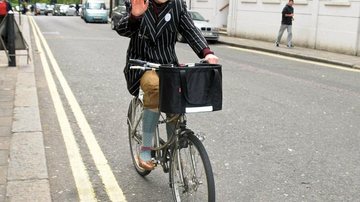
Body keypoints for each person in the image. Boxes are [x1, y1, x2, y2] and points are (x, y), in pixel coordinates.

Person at [114, 0, 219, 170]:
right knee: (154, 87)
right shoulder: (138, 2)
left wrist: (207, 52)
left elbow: (190, 30)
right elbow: (122, 29)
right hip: (141, 65)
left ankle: (174, 147)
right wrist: (135, 16)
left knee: (177, 96)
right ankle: (146, 148)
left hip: (167, 65)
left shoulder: (177, 5)